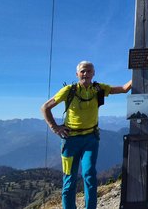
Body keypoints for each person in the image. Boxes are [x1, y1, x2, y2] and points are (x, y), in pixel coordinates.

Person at [41, 60, 132, 209]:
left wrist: (140, 71)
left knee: (89, 175)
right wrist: (55, 127)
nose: (86, 74)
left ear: (93, 73)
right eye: (83, 71)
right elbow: (45, 107)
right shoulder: (69, 90)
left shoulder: (98, 88)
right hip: (70, 140)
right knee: (69, 179)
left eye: (89, 71)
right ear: (77, 74)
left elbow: (123, 89)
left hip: (91, 139)